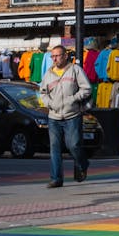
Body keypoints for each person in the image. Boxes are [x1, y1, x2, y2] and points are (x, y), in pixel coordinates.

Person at [38, 44, 93, 188]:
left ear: (65, 56)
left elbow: (87, 89)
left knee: (73, 145)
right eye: (52, 56)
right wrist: (50, 103)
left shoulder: (75, 70)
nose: (54, 59)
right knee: (55, 148)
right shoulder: (49, 74)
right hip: (54, 116)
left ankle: (83, 163)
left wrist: (73, 99)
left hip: (72, 115)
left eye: (57, 56)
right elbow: (42, 93)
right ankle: (56, 178)